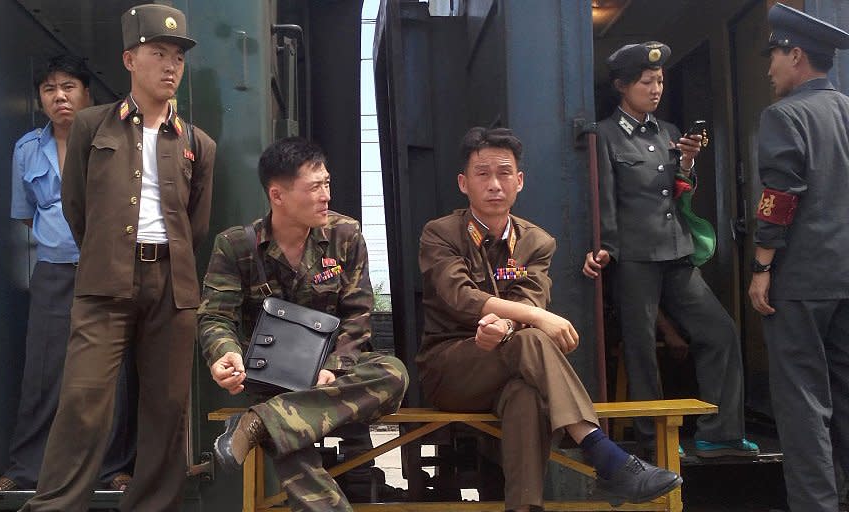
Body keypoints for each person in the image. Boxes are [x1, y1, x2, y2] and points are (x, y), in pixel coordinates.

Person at [418, 126, 681, 511]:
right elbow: (460, 296)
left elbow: (531, 295)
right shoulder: (440, 233)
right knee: (535, 337)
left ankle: (526, 507)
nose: (495, 184)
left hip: (515, 363)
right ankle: (602, 453)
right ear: (464, 183)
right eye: (483, 174)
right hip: (452, 367)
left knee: (525, 395)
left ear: (519, 181)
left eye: (505, 173)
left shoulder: (537, 242)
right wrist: (532, 318)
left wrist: (507, 324)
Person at [20, 4, 216, 511]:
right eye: (158, 54)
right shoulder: (91, 125)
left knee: (166, 408)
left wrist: (165, 261)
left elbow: (196, 223)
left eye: (177, 57)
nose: (170, 66)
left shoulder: (198, 143)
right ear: (130, 59)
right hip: (104, 281)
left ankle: (153, 504)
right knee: (83, 401)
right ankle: (56, 505)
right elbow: (75, 207)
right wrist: (109, 254)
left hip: (172, 286)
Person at [200, 137, 408, 512]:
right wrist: (225, 353)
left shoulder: (345, 235)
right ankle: (270, 418)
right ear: (277, 196)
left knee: (393, 373)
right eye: (314, 187)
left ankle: (259, 423)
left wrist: (331, 368)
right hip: (272, 376)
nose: (326, 195)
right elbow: (216, 315)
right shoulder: (236, 246)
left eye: (327, 183)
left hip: (336, 372)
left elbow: (358, 316)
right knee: (289, 428)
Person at [581, 41, 757, 458]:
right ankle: (654, 439)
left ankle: (721, 431)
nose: (656, 88)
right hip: (635, 257)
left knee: (720, 332)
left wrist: (689, 165)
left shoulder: (670, 133)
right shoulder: (605, 134)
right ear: (623, 86)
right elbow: (605, 197)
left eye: (660, 80)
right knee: (641, 348)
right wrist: (606, 247)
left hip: (675, 251)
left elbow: (679, 194)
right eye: (647, 82)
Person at [0, 55, 136, 493]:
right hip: (53, 270)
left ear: (87, 94)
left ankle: (113, 470)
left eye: (69, 86)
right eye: (50, 89)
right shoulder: (26, 149)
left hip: (108, 270)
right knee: (44, 371)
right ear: (40, 99)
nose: (60, 97)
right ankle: (26, 471)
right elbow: (25, 215)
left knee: (113, 372)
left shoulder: (115, 139)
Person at [748, 4, 849, 511]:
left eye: (775, 56)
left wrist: (762, 266)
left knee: (803, 402)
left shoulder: (785, 115)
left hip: (802, 281)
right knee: (846, 397)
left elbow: (780, 195)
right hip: (846, 277)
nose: (769, 68)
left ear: (797, 55)